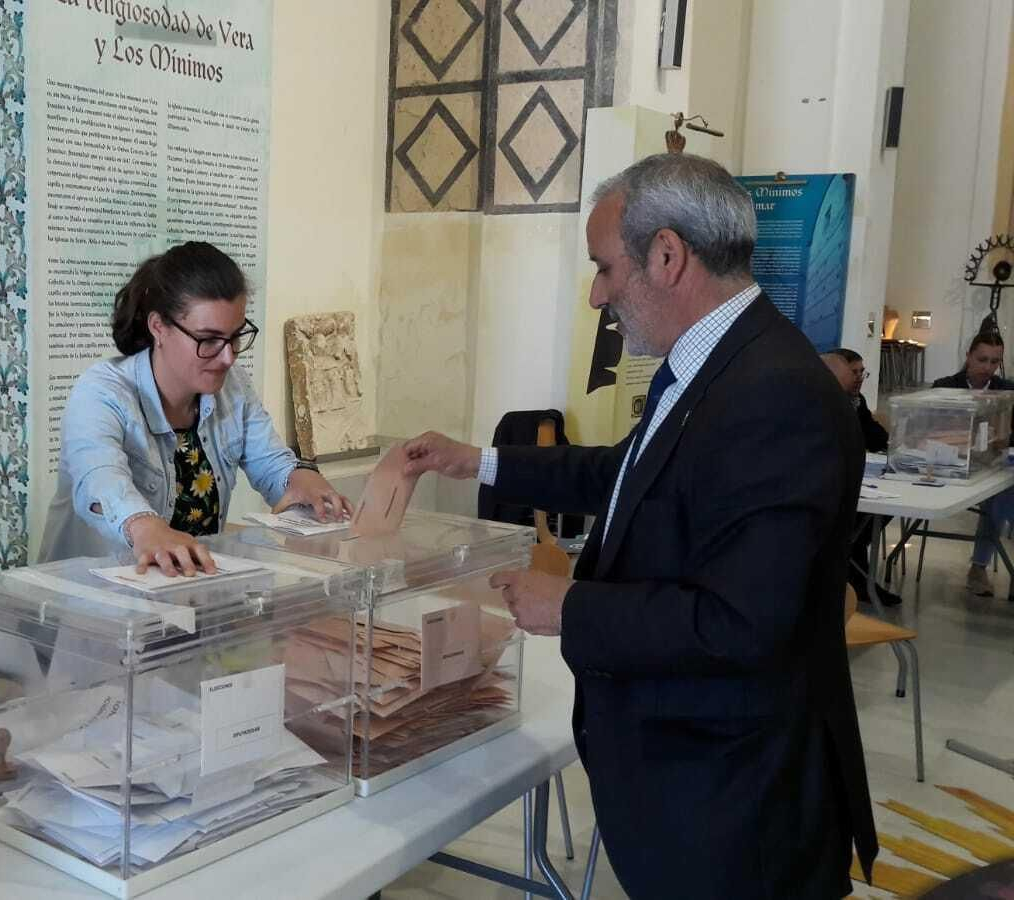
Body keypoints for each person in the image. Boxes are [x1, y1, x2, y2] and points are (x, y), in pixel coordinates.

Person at [403, 153, 877, 898]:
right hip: (695, 791)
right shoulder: (720, 362)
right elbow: (627, 472)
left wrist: (569, 606)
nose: (597, 296)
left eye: (604, 269)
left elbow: (742, 624)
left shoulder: (775, 396)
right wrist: (483, 462)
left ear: (666, 255)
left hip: (735, 809)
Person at [39, 240, 351, 573]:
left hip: (186, 599)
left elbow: (271, 462)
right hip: (95, 605)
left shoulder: (233, 387)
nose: (228, 356)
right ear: (159, 326)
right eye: (209, 339)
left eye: (235, 337)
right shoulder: (102, 392)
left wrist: (301, 479)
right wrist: (143, 524)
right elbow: (99, 480)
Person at [932, 331, 1014, 596]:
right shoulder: (945, 386)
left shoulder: (1008, 391)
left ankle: (978, 567)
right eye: (982, 360)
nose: (987, 368)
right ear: (968, 356)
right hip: (950, 463)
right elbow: (927, 428)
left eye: (994, 362)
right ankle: (979, 566)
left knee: (1002, 492)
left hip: (993, 464)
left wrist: (1002, 438)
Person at [823, 349, 899, 606]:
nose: (858, 378)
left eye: (861, 372)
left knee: (880, 513)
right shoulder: (823, 402)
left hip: (861, 479)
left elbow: (877, 437)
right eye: (853, 373)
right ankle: (858, 579)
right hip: (829, 487)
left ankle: (856, 574)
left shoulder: (858, 401)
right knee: (856, 521)